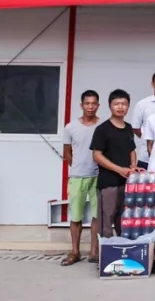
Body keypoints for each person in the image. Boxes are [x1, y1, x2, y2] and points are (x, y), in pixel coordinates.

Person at [60, 90, 101, 266]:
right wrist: (78, 166)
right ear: (81, 105)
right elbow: (67, 152)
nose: (90, 107)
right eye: (87, 103)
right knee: (76, 216)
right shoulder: (70, 127)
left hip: (98, 176)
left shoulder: (103, 126)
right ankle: (75, 252)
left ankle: (94, 252)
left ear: (98, 105)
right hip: (77, 177)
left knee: (97, 216)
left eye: (93, 103)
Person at [90, 89, 138, 239]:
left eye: (124, 104)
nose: (120, 107)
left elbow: (132, 150)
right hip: (108, 183)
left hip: (126, 183)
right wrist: (118, 169)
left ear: (128, 106)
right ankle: (104, 251)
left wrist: (133, 166)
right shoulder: (102, 129)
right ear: (110, 106)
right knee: (106, 222)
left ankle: (122, 248)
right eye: (117, 104)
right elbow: (96, 155)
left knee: (123, 220)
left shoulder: (128, 128)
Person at [128, 70, 155, 169]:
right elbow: (135, 128)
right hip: (146, 157)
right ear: (152, 84)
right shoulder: (142, 104)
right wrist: (147, 138)